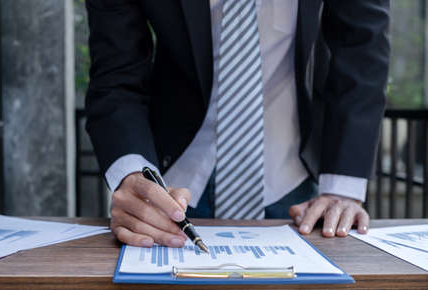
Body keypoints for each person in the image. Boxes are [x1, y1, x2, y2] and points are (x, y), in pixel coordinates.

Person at [85, 0, 390, 248]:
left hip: (300, 192)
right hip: (172, 184)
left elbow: (362, 53)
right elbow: (116, 75)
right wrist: (132, 175)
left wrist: (342, 188)